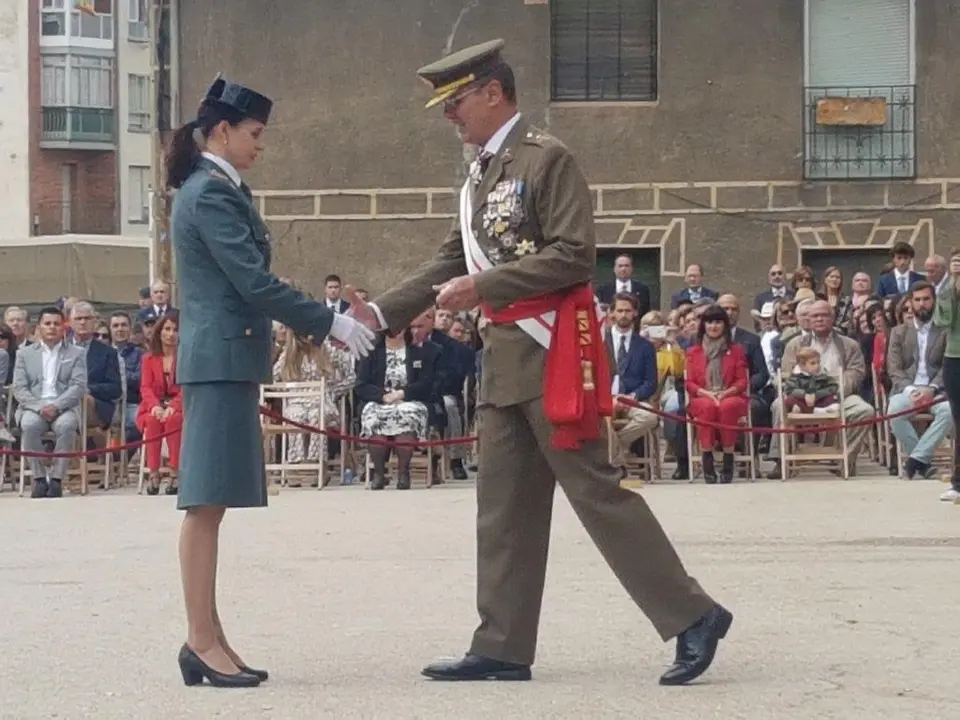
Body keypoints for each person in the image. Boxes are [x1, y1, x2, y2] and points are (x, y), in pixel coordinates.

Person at [347, 39, 730, 685]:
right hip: (503, 362)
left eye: (456, 101)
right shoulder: (477, 176)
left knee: (597, 494)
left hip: (553, 351)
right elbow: (450, 260)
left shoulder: (546, 159)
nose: (449, 116)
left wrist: (487, 288)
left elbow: (575, 255)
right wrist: (378, 314)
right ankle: (501, 642)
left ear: (494, 92)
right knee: (502, 507)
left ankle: (692, 615)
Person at [165, 74, 374, 688]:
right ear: (222, 131)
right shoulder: (209, 194)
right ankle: (201, 641)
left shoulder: (221, 189)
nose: (261, 144)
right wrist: (329, 322)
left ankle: (209, 636)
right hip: (220, 361)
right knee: (204, 505)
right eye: (254, 134)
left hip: (228, 359)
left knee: (213, 503)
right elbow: (253, 282)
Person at [10, 307, 87, 498]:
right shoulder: (24, 354)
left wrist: (57, 406)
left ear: (64, 327)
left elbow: (78, 386)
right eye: (47, 323)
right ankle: (37, 478)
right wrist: (38, 406)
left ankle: (56, 479)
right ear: (39, 327)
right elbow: (19, 388)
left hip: (63, 405)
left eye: (56, 324)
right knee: (28, 425)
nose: (52, 327)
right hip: (34, 406)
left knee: (67, 425)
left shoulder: (77, 353)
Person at [684, 306, 750, 484]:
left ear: (725, 325)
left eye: (718, 322)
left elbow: (742, 381)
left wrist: (724, 393)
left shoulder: (736, 350)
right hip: (703, 396)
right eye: (709, 322)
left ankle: (728, 457)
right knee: (707, 407)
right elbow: (689, 383)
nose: (713, 326)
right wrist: (708, 393)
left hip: (730, 395)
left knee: (726, 407)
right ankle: (707, 459)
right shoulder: (693, 352)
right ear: (703, 325)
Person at [136, 313, 183, 495]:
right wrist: (155, 406)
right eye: (167, 329)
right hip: (153, 406)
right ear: (159, 332)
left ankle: (175, 472)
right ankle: (153, 473)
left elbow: (186, 388)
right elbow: (145, 387)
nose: (171, 334)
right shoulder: (148, 359)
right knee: (152, 421)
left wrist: (174, 406)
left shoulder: (186, 356)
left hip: (180, 406)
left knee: (174, 420)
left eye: (175, 330)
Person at [933, 250, 960, 501]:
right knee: (958, 421)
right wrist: (950, 289)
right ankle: (958, 482)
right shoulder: (947, 291)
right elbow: (944, 321)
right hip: (954, 357)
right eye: (954, 260)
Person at [782, 347, 840, 413]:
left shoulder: (822, 376)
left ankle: (822, 409)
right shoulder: (796, 377)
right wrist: (804, 395)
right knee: (789, 400)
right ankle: (801, 409)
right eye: (813, 363)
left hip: (818, 402)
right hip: (804, 402)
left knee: (832, 396)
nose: (817, 366)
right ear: (802, 365)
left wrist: (817, 395)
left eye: (818, 362)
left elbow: (833, 386)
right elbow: (789, 390)